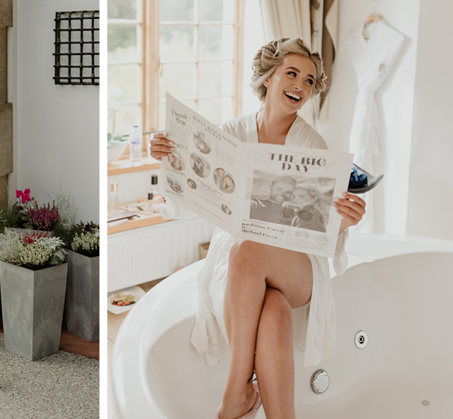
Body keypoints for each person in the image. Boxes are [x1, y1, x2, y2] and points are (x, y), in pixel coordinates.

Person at [150, 38, 366, 419]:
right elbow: (190, 201)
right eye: (292, 73)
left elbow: (324, 230)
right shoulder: (230, 132)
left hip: (296, 264)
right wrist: (168, 159)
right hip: (240, 263)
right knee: (274, 314)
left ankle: (236, 391)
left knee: (248, 249)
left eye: (310, 81)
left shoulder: (313, 144)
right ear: (268, 78)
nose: (301, 84)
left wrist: (345, 221)